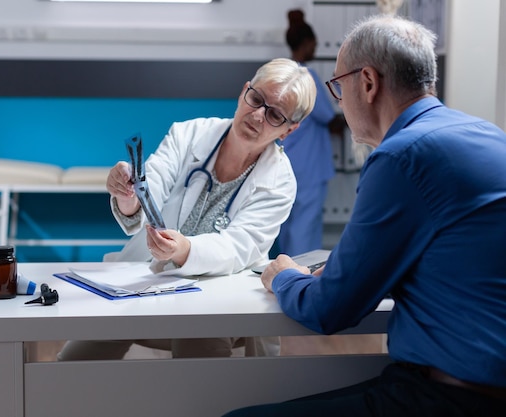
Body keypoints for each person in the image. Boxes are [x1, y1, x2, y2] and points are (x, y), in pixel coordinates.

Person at [223, 14, 506, 417]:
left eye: (338, 87)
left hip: (454, 396)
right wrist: (351, 274)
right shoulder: (487, 134)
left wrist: (282, 274)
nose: (338, 100)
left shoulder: (401, 155)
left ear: (368, 83)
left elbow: (329, 311)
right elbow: (457, 265)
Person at [57, 57, 317, 361]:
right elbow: (152, 183)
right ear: (244, 92)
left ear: (288, 130)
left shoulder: (280, 182)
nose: (258, 115)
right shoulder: (189, 134)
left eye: (274, 115)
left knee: (200, 345)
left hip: (221, 289)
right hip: (150, 275)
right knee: (76, 358)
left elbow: (238, 246)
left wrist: (185, 250)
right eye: (256, 99)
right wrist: (129, 195)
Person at [276, 9, 342, 257]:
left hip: (288, 160)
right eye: (313, 44)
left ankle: (284, 269)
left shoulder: (281, 76)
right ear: (305, 44)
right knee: (306, 226)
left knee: (288, 223)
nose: (315, 47)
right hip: (310, 166)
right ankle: (301, 276)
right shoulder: (307, 77)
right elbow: (327, 117)